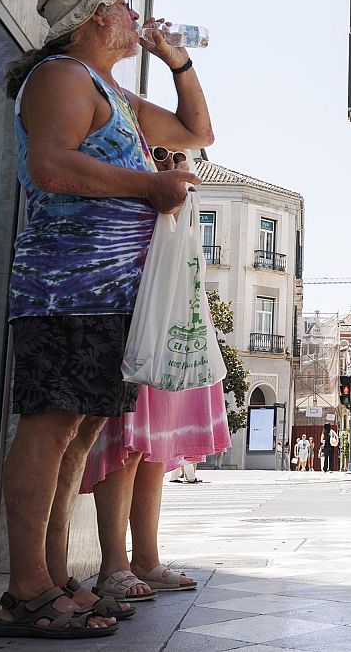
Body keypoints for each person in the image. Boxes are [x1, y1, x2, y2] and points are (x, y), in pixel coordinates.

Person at [0, 0, 210, 639]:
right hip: (67, 287)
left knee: (79, 433)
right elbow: (51, 167)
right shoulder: (62, 77)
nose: (134, 12)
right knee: (52, 427)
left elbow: (197, 132)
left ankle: (56, 576)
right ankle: (28, 588)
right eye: (123, 4)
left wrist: (180, 61)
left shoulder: (112, 91)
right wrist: (151, 185)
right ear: (92, 19)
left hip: (110, 294)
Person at [82, 148, 229, 606]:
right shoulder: (124, 157)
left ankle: (144, 558)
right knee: (129, 440)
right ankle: (114, 565)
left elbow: (198, 131)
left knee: (152, 444)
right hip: (136, 304)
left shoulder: (151, 156)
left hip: (165, 306)